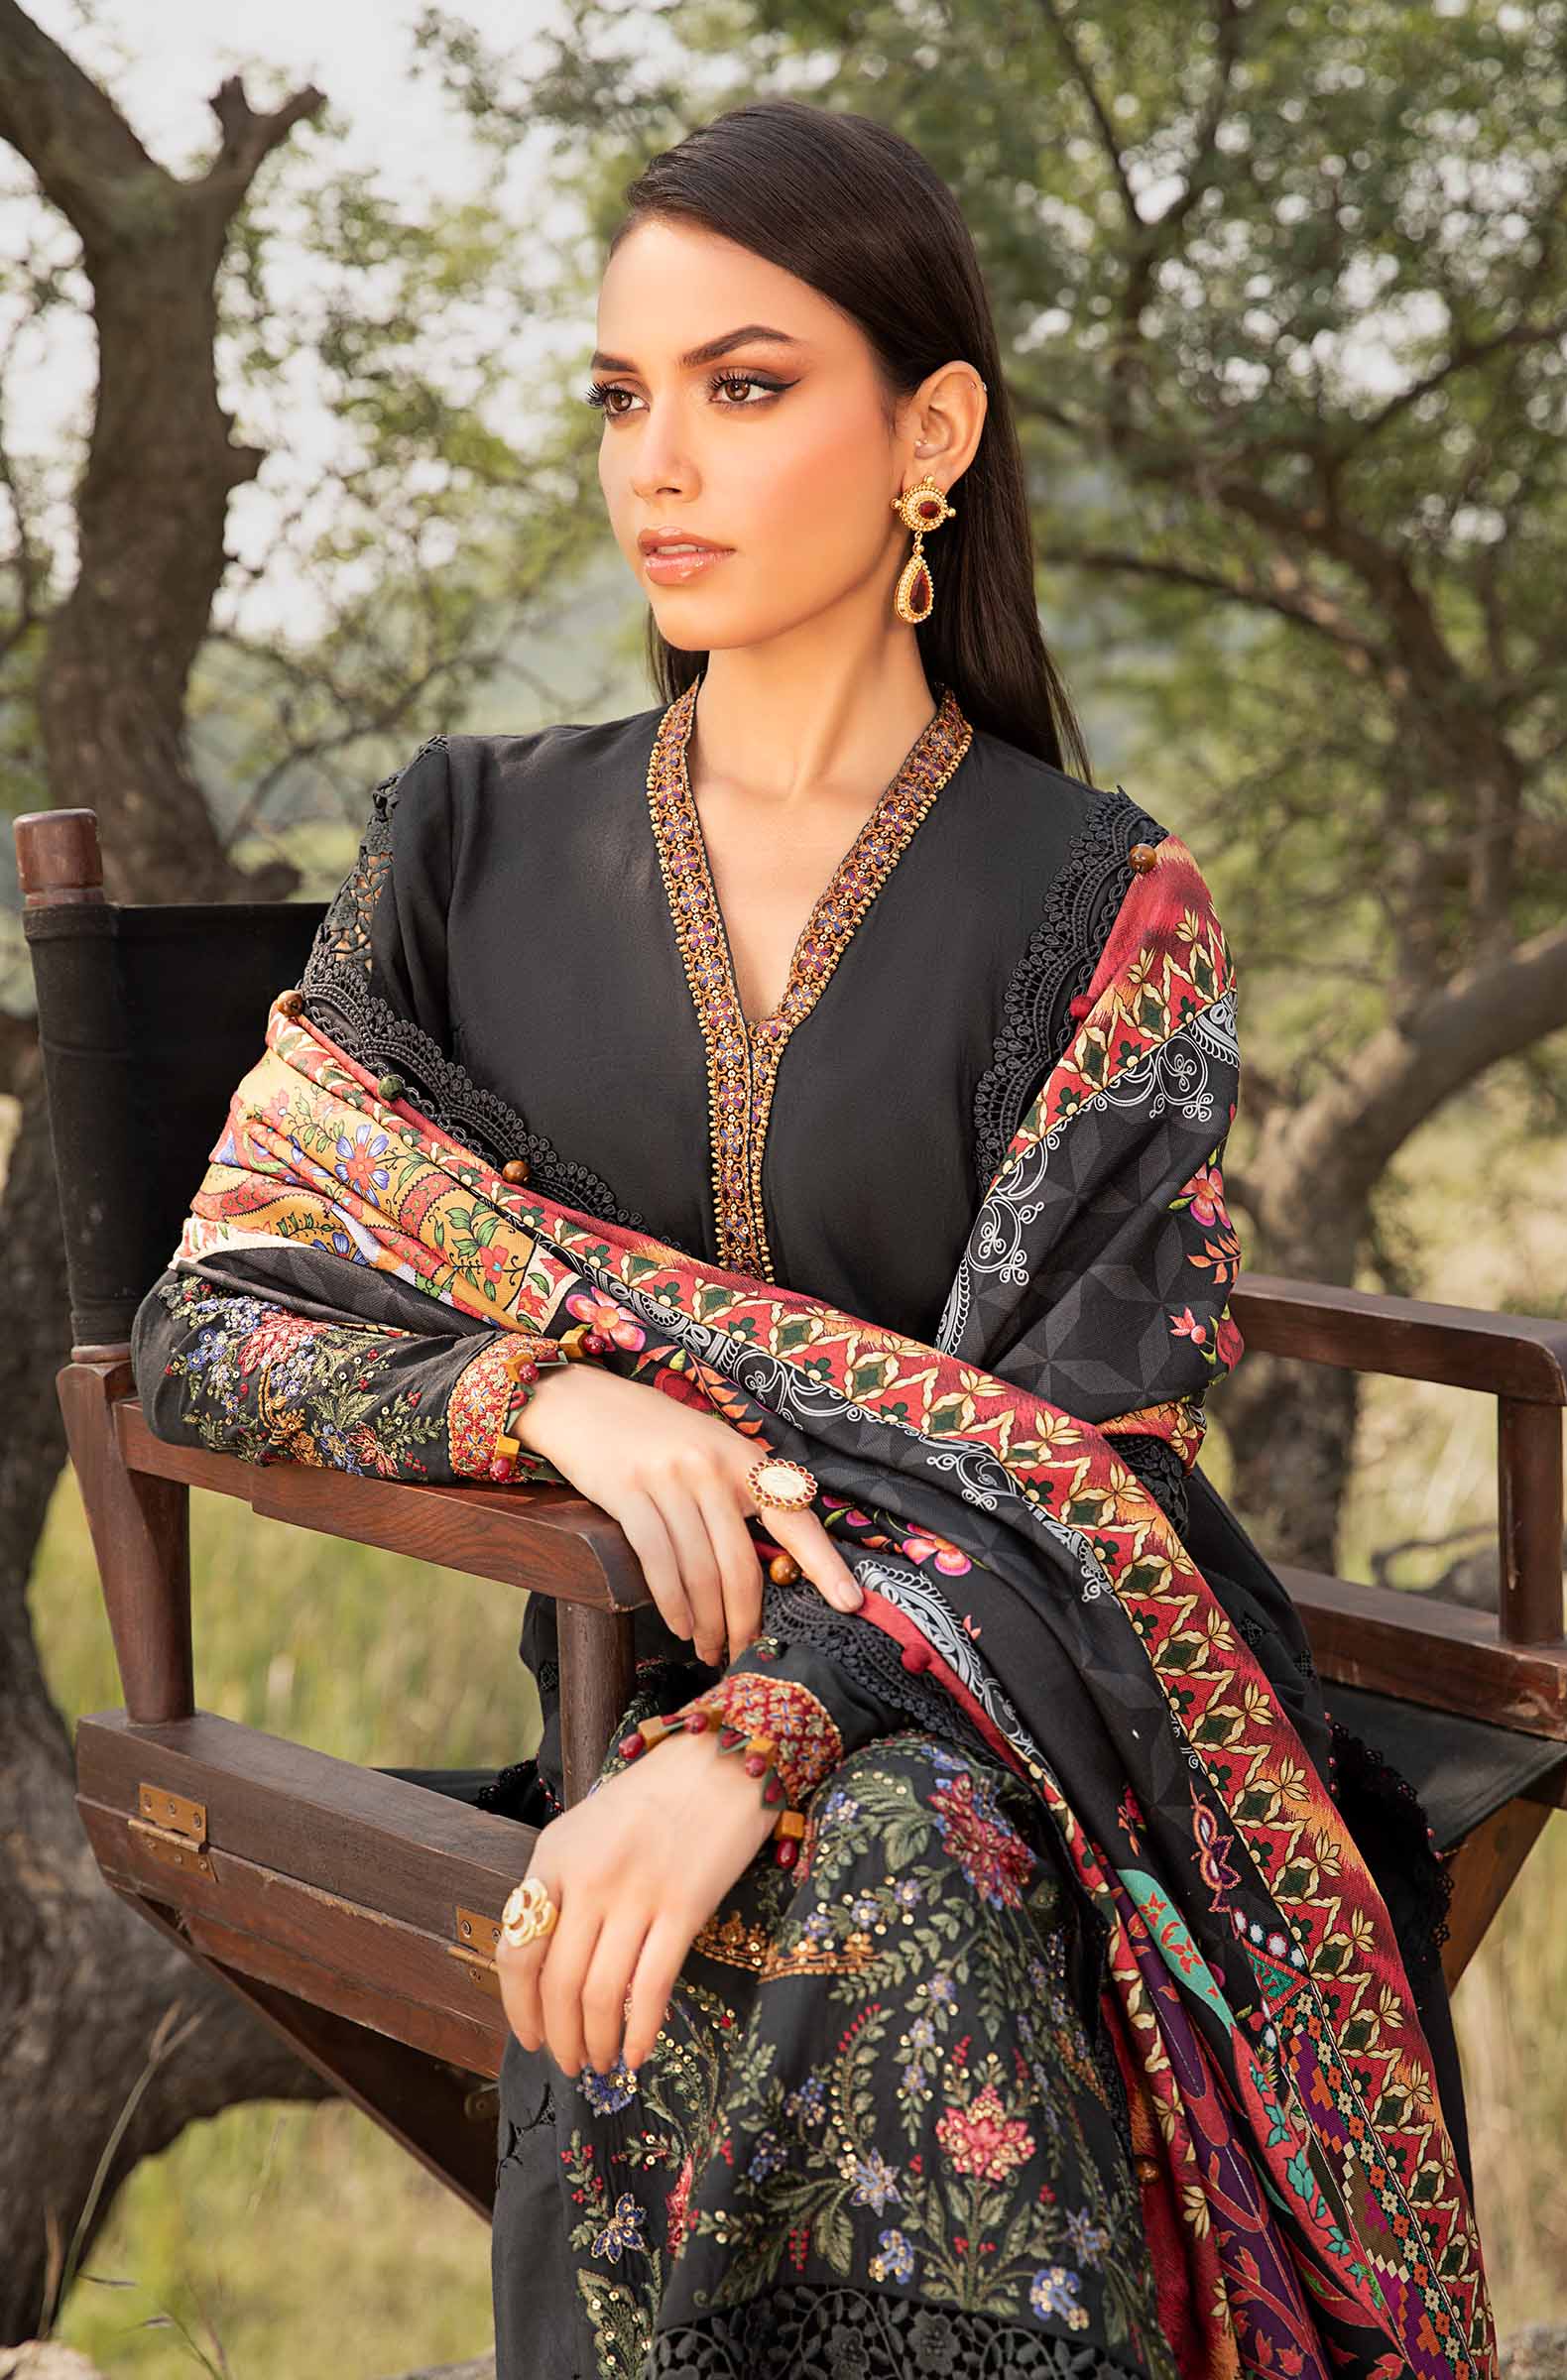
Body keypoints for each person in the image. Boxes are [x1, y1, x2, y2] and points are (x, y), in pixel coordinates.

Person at [129, 98, 1495, 2380]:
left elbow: (1073, 1473)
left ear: (927, 436)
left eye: (742, 387)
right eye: (620, 397)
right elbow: (215, 1316)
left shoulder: (1100, 904)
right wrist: (546, 1395)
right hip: (614, 1676)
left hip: (1029, 1699)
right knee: (824, 1895)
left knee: (897, 1870)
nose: (656, 463)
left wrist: (750, 1744)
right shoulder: (465, 842)